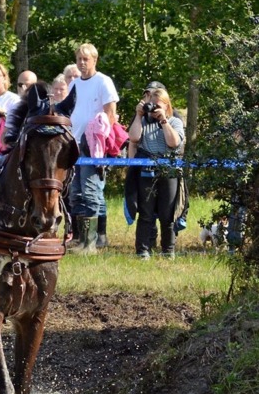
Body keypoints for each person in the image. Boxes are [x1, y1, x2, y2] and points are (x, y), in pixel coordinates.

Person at [68, 43, 119, 253]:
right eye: (79, 59)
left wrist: (98, 142)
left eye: (85, 59)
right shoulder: (74, 84)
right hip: (74, 141)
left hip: (94, 144)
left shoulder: (103, 82)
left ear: (94, 60)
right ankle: (81, 239)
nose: (82, 63)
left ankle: (95, 240)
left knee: (91, 190)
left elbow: (110, 114)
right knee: (75, 191)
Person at [128, 87, 185, 259]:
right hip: (146, 172)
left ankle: (168, 251)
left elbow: (174, 143)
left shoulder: (175, 121)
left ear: (167, 106)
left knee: (167, 215)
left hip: (169, 173)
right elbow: (134, 138)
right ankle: (142, 251)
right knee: (145, 214)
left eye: (158, 105)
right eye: (151, 105)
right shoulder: (143, 121)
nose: (153, 109)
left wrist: (164, 121)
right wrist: (138, 115)